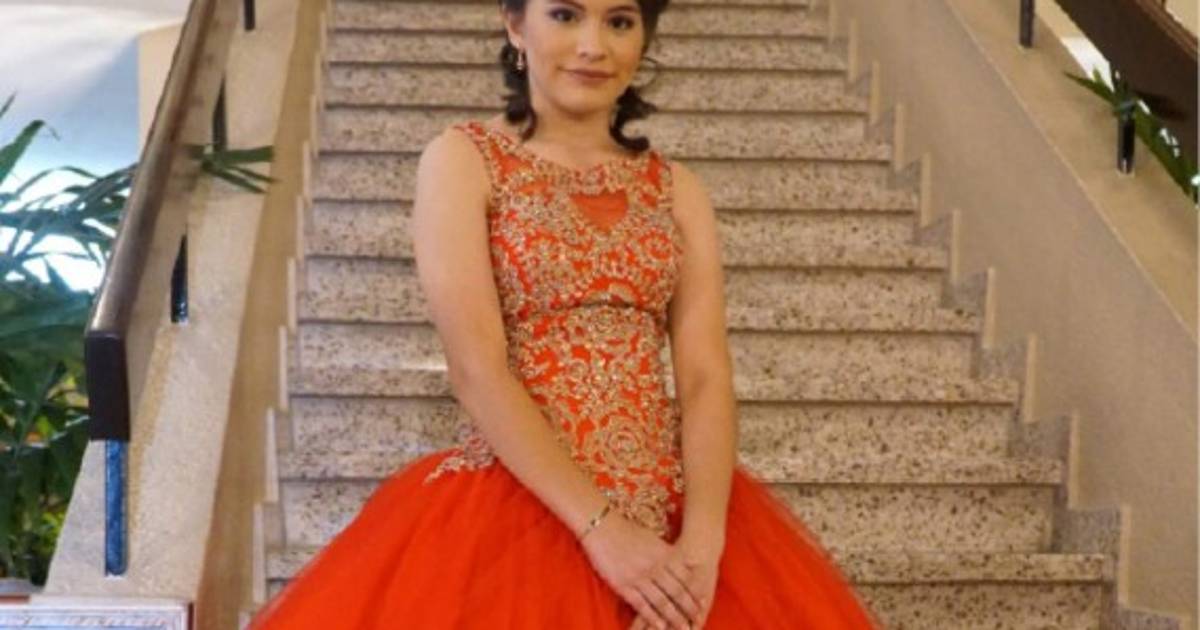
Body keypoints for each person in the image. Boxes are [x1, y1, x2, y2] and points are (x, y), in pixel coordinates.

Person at [247, 0, 884, 627]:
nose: (592, 46)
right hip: (518, 509)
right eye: (565, 15)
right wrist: (603, 530)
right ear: (515, 24)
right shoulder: (462, 160)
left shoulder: (677, 189)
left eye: (620, 21)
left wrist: (702, 546)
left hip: (673, 513)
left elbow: (704, 378)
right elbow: (477, 369)